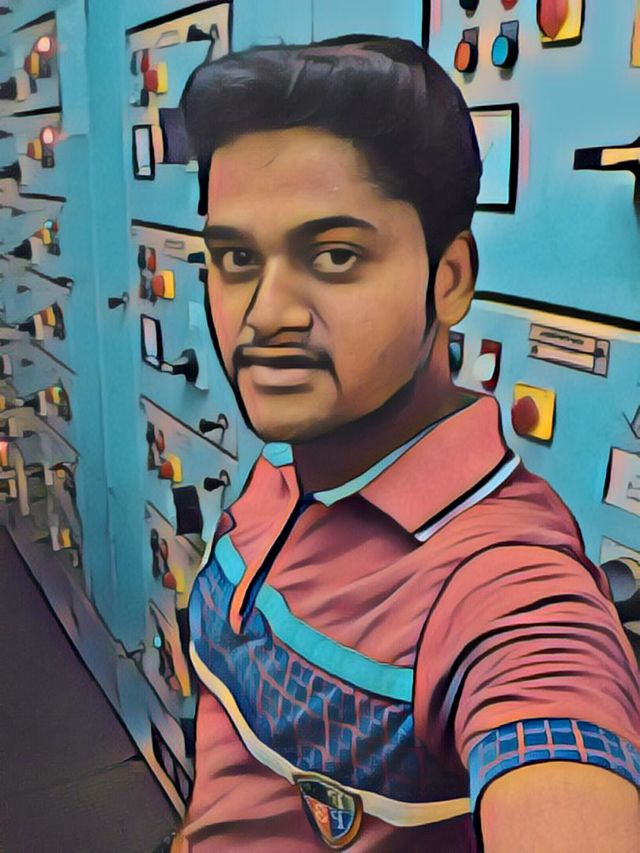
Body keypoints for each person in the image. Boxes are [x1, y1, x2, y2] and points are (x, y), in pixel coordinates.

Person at [170, 36, 640, 851]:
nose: (266, 313)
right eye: (237, 257)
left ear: (449, 279)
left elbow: (549, 702)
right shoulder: (290, 458)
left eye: (335, 255)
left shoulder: (506, 588)